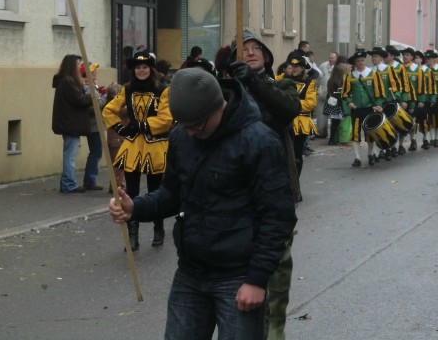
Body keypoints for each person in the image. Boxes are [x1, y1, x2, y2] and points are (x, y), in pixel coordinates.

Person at [109, 68, 297, 340]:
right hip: (190, 274)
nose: (191, 132)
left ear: (218, 106)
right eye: (183, 125)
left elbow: (277, 218)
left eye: (197, 125)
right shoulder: (182, 137)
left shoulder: (259, 141)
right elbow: (172, 194)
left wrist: (256, 280)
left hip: (239, 276)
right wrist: (134, 208)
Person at [225, 29, 301, 340]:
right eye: (244, 49)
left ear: (267, 56)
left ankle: (274, 332)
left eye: (257, 48)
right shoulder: (226, 90)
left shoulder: (281, 85)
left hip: (274, 190)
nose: (251, 53)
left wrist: (253, 82)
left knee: (277, 267)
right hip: (234, 191)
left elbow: (287, 110)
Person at [103, 50, 173, 250]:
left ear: (151, 69)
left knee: (155, 191)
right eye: (137, 68)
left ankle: (158, 229)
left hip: (155, 146)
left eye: (144, 67)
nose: (141, 71)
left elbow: (166, 118)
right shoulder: (127, 90)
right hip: (133, 146)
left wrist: (141, 125)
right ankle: (132, 235)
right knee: (131, 192)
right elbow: (109, 110)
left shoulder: (163, 90)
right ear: (133, 70)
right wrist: (120, 128)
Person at [52, 54, 92, 193]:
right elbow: (80, 100)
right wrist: (91, 96)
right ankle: (69, 184)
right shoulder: (68, 82)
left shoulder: (66, 81)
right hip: (70, 123)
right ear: (71, 67)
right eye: (78, 65)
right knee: (70, 155)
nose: (80, 67)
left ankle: (67, 182)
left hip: (68, 122)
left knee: (69, 154)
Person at [343, 50, 385, 167]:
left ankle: (370, 154)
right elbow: (345, 94)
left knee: (370, 132)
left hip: (370, 109)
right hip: (356, 110)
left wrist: (378, 104)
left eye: (362, 60)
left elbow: (380, 93)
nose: (360, 62)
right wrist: (349, 102)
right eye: (358, 61)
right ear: (355, 63)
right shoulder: (350, 77)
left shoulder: (373, 74)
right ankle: (357, 157)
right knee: (355, 134)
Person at [283, 52, 317, 178]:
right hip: (285, 121)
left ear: (302, 68)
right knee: (283, 154)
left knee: (296, 154)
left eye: (296, 66)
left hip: (300, 123)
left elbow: (311, 103)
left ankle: (295, 185)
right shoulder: (284, 79)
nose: (293, 68)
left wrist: (291, 103)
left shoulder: (309, 82)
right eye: (291, 66)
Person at [80, 62, 110, 191]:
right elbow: (95, 107)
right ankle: (90, 180)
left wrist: (101, 93)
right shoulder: (88, 88)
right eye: (93, 72)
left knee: (96, 152)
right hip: (93, 125)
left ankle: (90, 179)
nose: (96, 73)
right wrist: (107, 96)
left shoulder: (92, 87)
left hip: (95, 124)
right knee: (96, 152)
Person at [323, 57, 348, 145]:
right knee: (335, 123)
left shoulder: (331, 79)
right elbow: (339, 92)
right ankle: (332, 139)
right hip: (337, 103)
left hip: (331, 102)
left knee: (334, 122)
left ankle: (332, 139)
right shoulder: (339, 80)